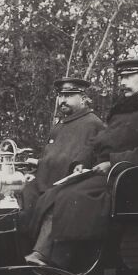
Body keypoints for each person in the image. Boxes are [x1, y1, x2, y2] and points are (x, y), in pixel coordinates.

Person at [25, 58, 138, 267]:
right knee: (53, 192)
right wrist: (80, 162)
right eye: (121, 77)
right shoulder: (122, 108)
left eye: (128, 77)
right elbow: (100, 142)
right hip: (109, 173)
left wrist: (112, 162)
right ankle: (39, 252)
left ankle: (57, 262)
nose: (122, 82)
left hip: (134, 178)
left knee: (72, 196)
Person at [18, 77, 105, 226]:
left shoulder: (92, 123)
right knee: (16, 194)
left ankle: (39, 249)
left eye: (69, 95)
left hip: (67, 185)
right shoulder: (59, 125)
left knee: (45, 202)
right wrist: (36, 169)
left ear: (83, 98)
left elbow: (78, 161)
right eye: (61, 95)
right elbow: (52, 157)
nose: (62, 100)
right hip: (44, 180)